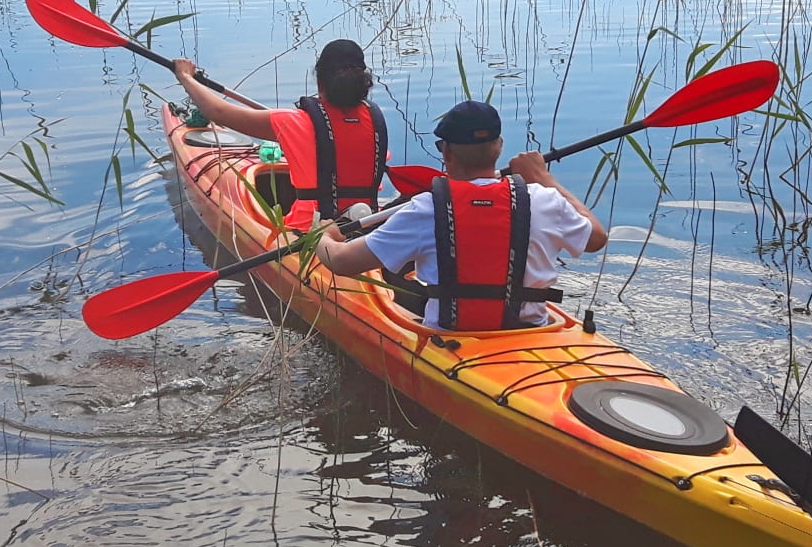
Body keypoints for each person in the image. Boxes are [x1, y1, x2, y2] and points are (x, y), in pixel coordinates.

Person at [316, 99, 608, 331]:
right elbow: (597, 238)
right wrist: (545, 179)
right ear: (500, 147)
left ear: (447, 154)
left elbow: (341, 262)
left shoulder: (425, 209)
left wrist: (324, 235)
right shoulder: (545, 200)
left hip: (450, 338)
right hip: (532, 334)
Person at [173, 39, 388, 232]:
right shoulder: (376, 122)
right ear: (363, 84)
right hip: (367, 226)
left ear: (320, 82)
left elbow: (217, 112)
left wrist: (185, 77)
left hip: (308, 232)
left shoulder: (294, 122)